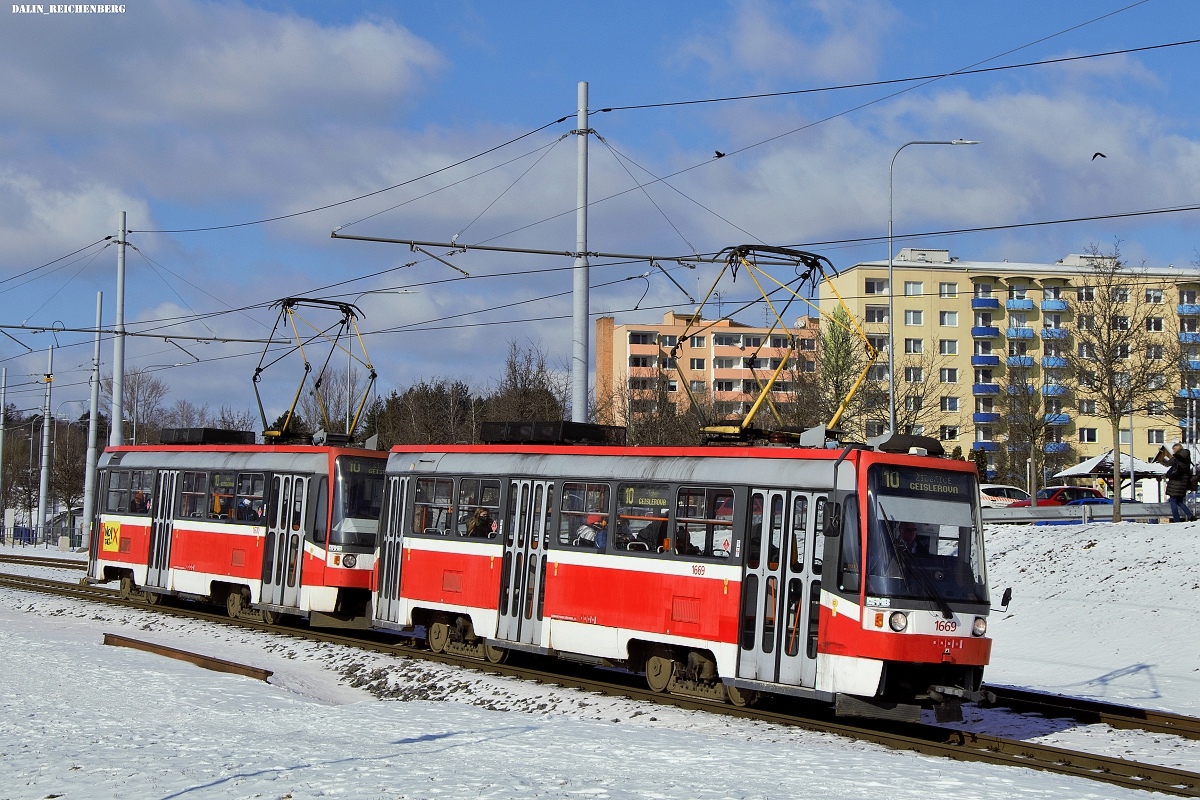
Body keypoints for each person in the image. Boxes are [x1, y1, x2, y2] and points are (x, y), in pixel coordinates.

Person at [1163, 440, 1196, 523]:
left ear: (1177, 448)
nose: (1173, 450)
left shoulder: (1180, 455)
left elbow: (1170, 463)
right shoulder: (1183, 457)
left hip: (1176, 481)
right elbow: (1170, 463)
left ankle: (1177, 519)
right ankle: (1190, 516)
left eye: (1174, 448)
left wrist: (1168, 459)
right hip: (1183, 482)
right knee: (1179, 501)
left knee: (1173, 501)